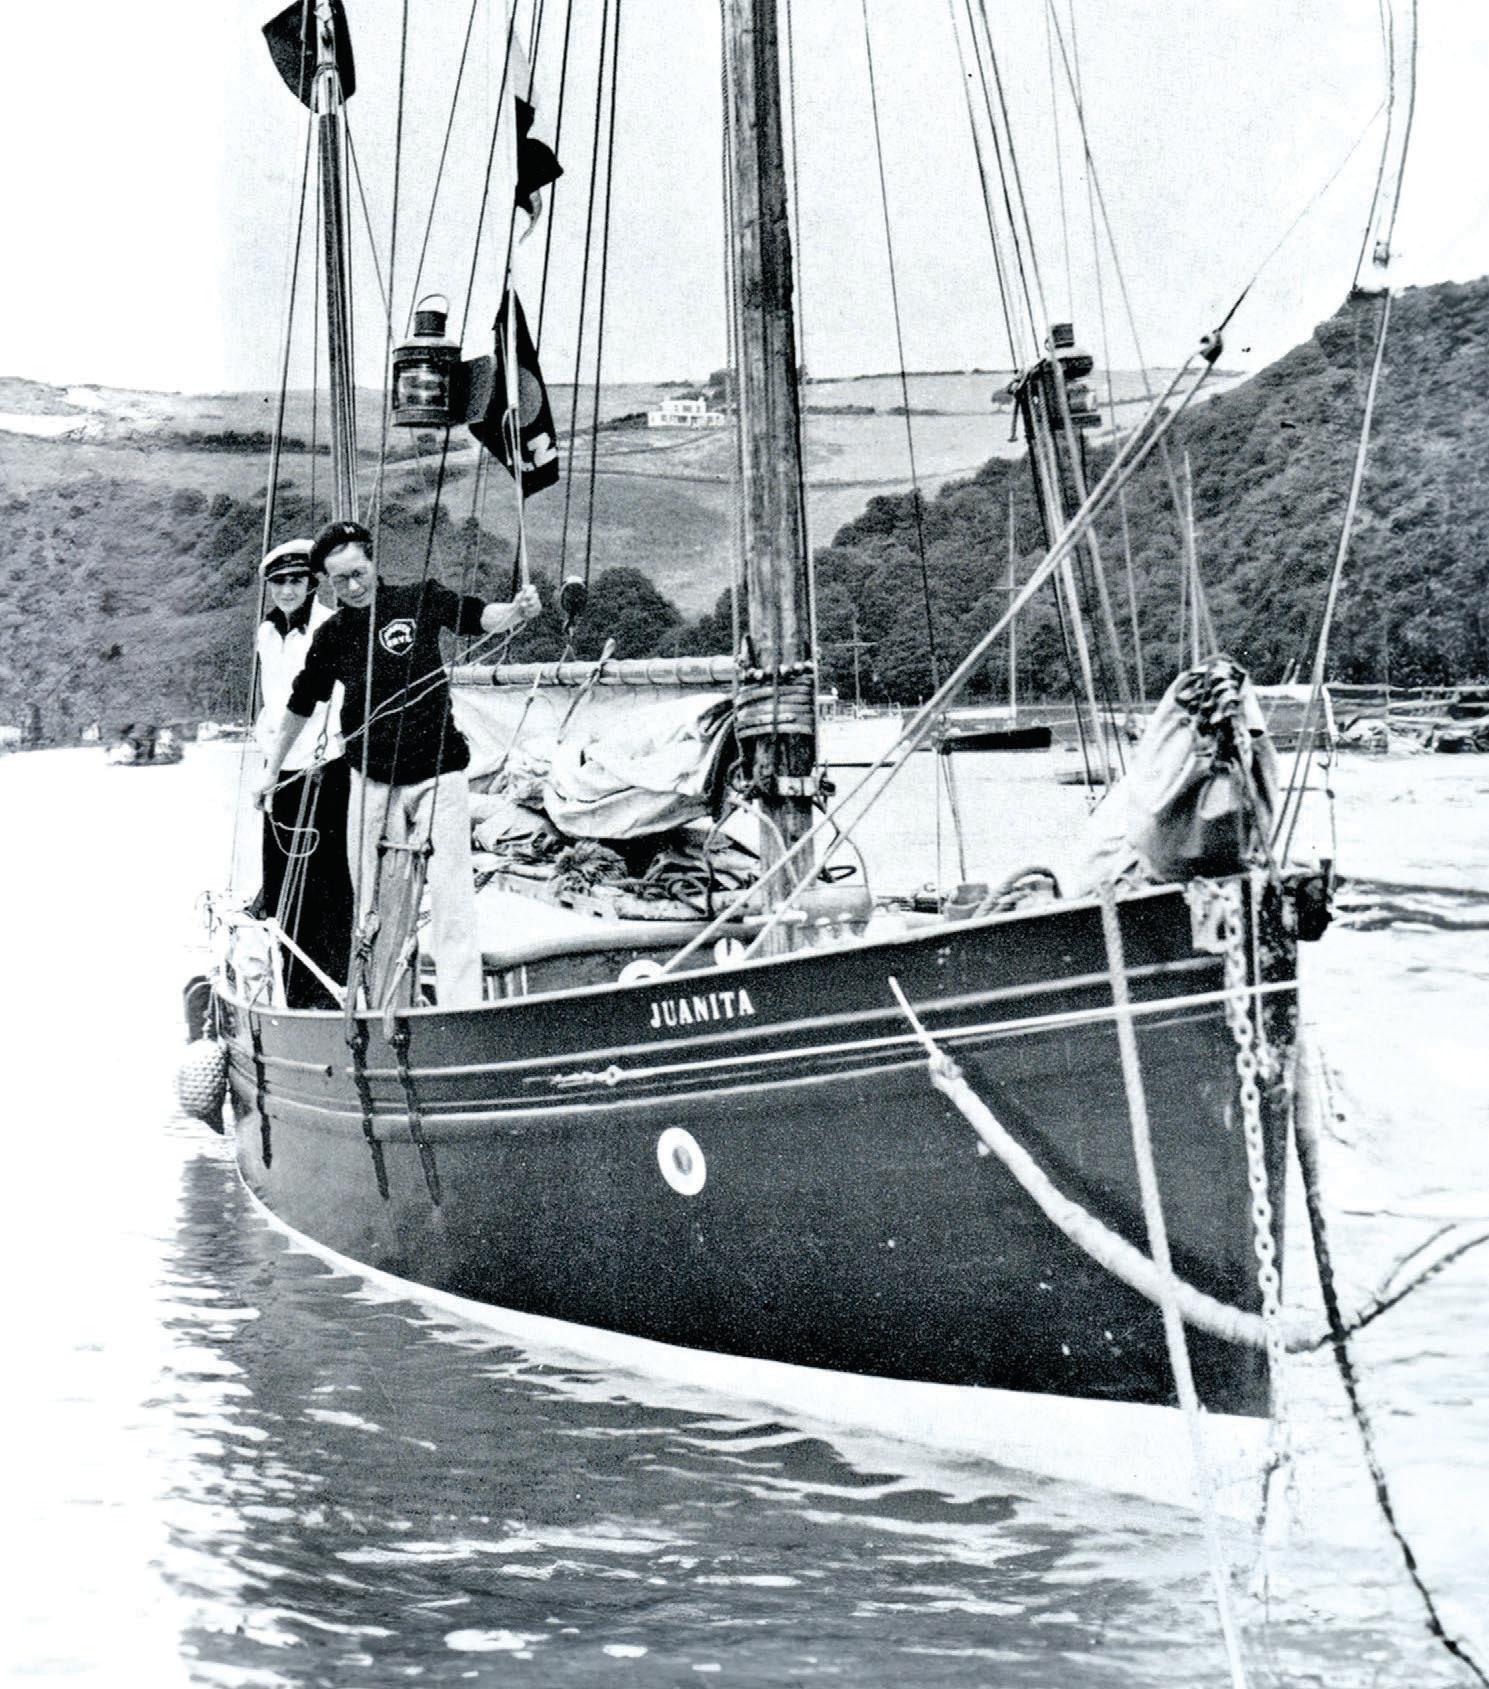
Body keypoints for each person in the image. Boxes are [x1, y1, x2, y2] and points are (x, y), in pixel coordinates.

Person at [255, 519, 541, 1010]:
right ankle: (382, 1005)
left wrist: (516, 611)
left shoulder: (418, 600)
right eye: (340, 579)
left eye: (359, 572)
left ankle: (462, 1007)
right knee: (370, 905)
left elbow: (476, 616)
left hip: (438, 773)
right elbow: (299, 706)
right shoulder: (333, 634)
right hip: (371, 781)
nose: (353, 585)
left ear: (372, 561)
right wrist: (270, 771)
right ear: (326, 582)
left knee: (452, 901)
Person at [253, 537, 354, 1008]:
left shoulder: (331, 627)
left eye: (296, 581)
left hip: (323, 766)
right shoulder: (266, 633)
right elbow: (274, 704)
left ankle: (333, 990)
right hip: (280, 772)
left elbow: (328, 705)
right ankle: (293, 992)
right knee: (280, 885)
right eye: (279, 583)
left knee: (328, 883)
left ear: (313, 584)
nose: (287, 591)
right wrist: (268, 761)